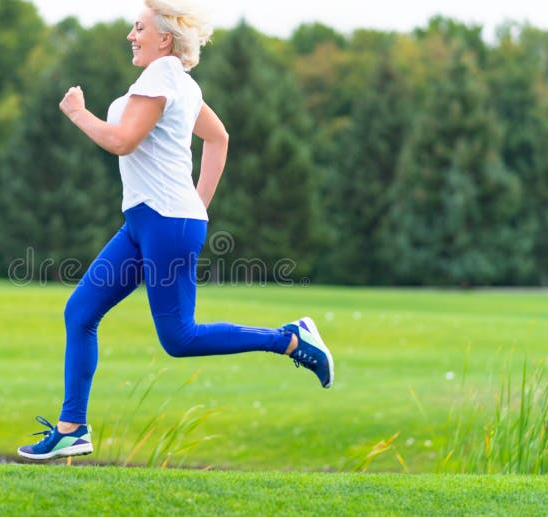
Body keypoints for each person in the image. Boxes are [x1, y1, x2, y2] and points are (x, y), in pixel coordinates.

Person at [17, 0, 334, 461]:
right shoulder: (179, 83)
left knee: (179, 339)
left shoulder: (163, 77)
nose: (130, 34)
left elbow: (122, 140)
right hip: (148, 221)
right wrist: (197, 206)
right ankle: (72, 428)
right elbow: (218, 138)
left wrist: (78, 113)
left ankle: (290, 339)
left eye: (139, 27)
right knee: (80, 311)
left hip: (165, 223)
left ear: (164, 38)